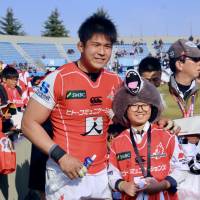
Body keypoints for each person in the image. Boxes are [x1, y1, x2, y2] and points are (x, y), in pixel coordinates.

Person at [22, 12, 121, 199]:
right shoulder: (58, 78)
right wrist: (62, 157)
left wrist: (161, 122)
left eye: (107, 46)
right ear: (81, 46)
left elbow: (127, 118)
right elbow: (28, 124)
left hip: (102, 175)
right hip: (65, 174)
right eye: (96, 45)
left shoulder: (115, 80)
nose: (102, 52)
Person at [108, 70, 186, 199]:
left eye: (144, 105)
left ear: (152, 107)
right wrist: (123, 185)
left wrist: (164, 184)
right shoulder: (117, 141)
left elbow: (182, 167)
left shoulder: (166, 135)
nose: (140, 109)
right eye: (133, 105)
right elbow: (111, 172)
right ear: (125, 109)